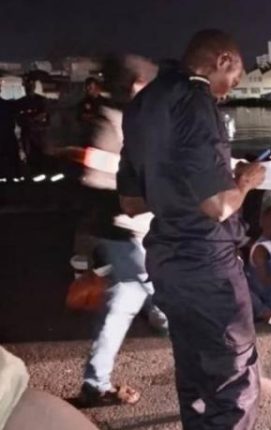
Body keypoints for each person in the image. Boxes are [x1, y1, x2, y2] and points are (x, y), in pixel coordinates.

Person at [117, 30, 266, 429]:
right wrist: (246, 181)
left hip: (166, 261)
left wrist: (188, 188)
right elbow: (218, 206)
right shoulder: (196, 100)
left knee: (195, 372)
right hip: (207, 263)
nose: (230, 89)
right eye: (234, 78)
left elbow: (131, 202)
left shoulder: (142, 104)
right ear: (223, 61)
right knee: (233, 381)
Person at [76, 55, 168, 407]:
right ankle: (221, 371)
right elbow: (98, 177)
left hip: (131, 231)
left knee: (126, 304)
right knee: (167, 300)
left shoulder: (128, 120)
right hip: (124, 232)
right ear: (135, 85)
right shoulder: (110, 121)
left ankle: (95, 383)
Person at [15, 76, 50, 173]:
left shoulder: (41, 100)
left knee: (40, 154)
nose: (29, 87)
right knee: (28, 154)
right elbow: (18, 118)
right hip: (26, 132)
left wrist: (33, 119)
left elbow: (44, 115)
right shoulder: (20, 102)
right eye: (28, 84)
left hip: (39, 133)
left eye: (31, 84)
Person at [0, 97, 21, 178]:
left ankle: (14, 174)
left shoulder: (7, 105)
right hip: (8, 133)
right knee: (12, 155)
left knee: (11, 155)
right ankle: (15, 174)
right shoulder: (8, 105)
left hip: (7, 133)